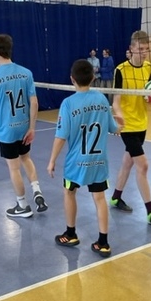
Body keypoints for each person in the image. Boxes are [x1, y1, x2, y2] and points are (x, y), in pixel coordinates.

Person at [47, 59, 122, 258]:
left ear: (72, 79)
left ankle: (71, 234)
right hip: (99, 161)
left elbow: (61, 136)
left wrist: (52, 160)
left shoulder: (68, 104)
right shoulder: (101, 99)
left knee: (69, 192)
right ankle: (103, 243)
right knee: (99, 198)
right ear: (93, 78)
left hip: (76, 162)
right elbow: (113, 129)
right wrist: (120, 125)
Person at [0, 33, 47, 218]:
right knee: (26, 158)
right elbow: (34, 102)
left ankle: (23, 205)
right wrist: (32, 127)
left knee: (14, 168)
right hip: (24, 127)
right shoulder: (26, 73)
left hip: (7, 130)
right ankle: (37, 191)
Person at [110, 30, 151, 225]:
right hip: (128, 126)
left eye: (146, 49)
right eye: (140, 49)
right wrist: (119, 119)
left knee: (127, 163)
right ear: (131, 49)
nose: (143, 53)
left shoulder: (149, 67)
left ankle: (116, 197)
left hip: (142, 123)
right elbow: (116, 101)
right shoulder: (121, 70)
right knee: (143, 166)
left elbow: (146, 95)